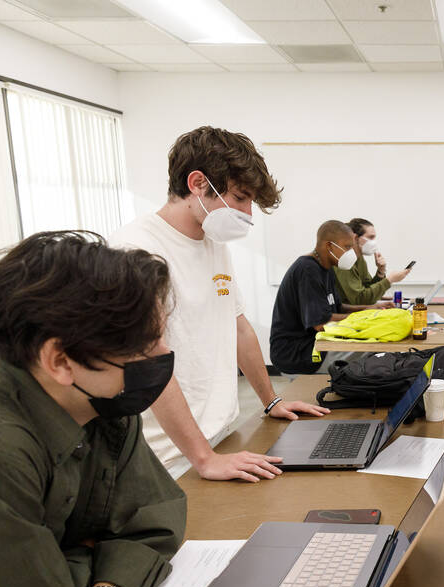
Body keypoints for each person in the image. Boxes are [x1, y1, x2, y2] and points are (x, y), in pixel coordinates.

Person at [0, 231, 186, 587]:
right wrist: (88, 555)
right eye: (141, 349)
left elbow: (154, 522)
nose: (161, 358)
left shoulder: (102, 402)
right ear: (60, 360)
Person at [113, 126, 329, 483]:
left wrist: (270, 400)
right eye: (240, 197)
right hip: (170, 459)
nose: (247, 213)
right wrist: (204, 459)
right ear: (198, 183)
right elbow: (146, 360)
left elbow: (239, 327)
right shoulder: (137, 249)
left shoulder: (214, 243)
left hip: (222, 438)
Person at [270, 220, 393, 375]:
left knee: (375, 347)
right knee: (373, 350)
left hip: (317, 344)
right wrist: (367, 318)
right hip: (299, 353)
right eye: (347, 247)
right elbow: (321, 323)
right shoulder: (308, 270)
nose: (351, 252)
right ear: (329, 246)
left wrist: (371, 308)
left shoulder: (326, 268)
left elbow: (338, 307)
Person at [333, 218, 411, 305]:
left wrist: (380, 272)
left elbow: (367, 288)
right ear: (355, 238)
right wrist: (389, 280)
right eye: (370, 237)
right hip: (345, 314)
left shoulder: (359, 259)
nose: (374, 242)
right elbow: (361, 300)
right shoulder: (343, 261)